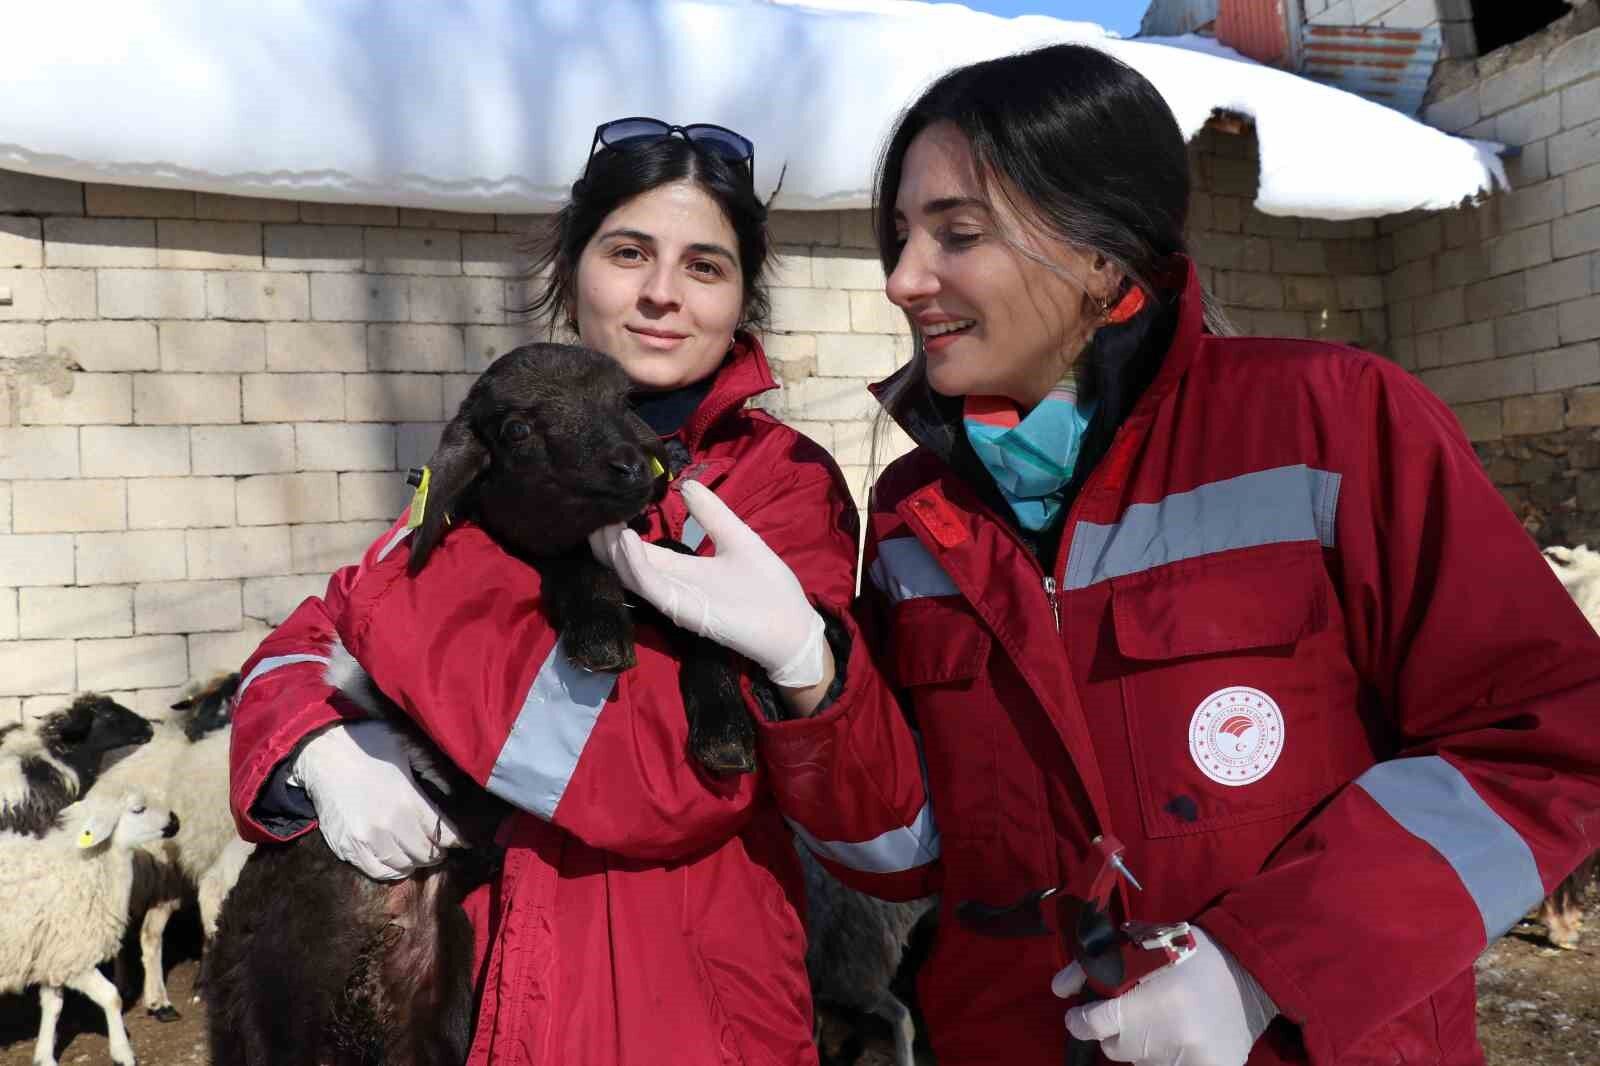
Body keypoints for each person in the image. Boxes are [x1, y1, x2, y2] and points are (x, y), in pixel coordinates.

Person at [590, 46, 1600, 1066]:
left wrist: (1265, 966)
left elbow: (1547, 738)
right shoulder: (913, 511)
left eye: (958, 234)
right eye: (900, 238)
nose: (901, 281)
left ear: (1101, 252)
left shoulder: (1330, 422)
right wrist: (814, 672)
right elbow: (904, 853)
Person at [226, 118, 858, 1066]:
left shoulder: (780, 487)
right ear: (573, 269)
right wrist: (315, 747)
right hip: (481, 989)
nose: (661, 292)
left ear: (742, 297)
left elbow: (663, 776)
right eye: (629, 253)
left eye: (704, 266)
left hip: (681, 1011)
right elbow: (307, 638)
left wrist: (411, 613)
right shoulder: (505, 439)